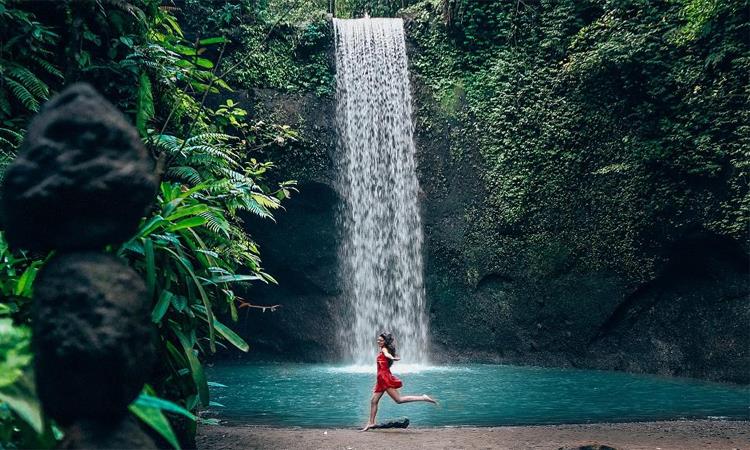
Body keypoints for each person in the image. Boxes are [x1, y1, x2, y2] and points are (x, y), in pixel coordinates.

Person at [361, 332, 437, 431]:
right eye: (378, 339)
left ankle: (423, 398)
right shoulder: (383, 349)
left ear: (385, 341)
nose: (378, 341)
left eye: (381, 340)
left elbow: (387, 354)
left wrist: (392, 357)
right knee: (373, 401)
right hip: (381, 379)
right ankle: (371, 423)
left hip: (384, 378)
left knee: (398, 400)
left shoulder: (384, 349)